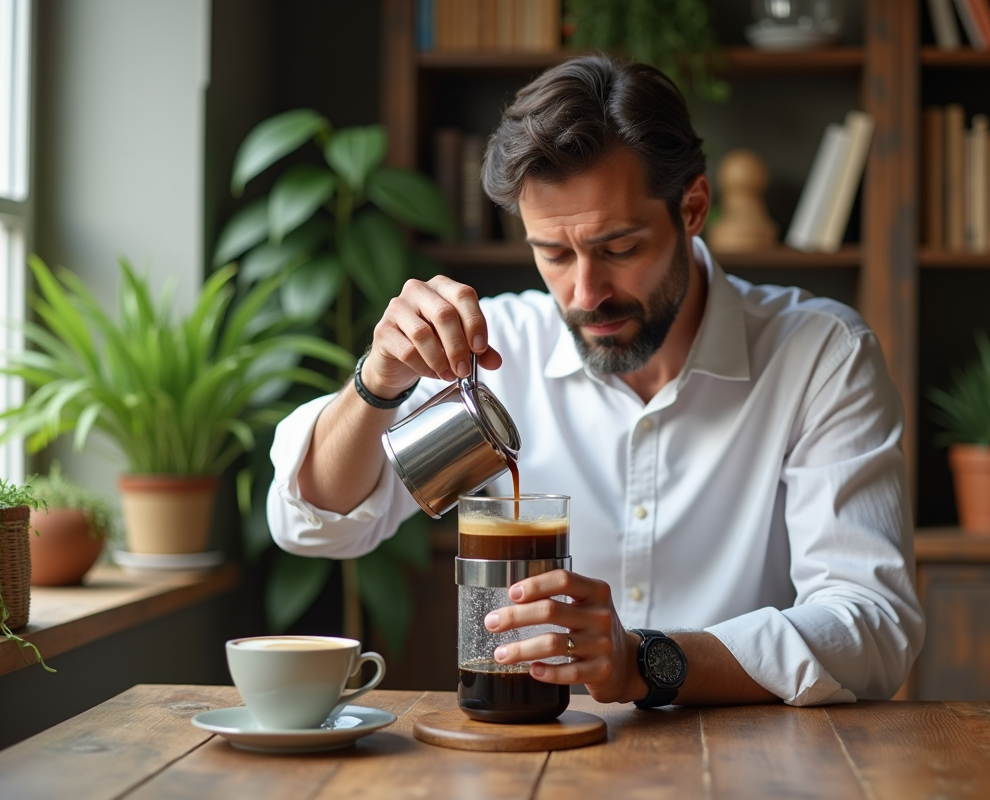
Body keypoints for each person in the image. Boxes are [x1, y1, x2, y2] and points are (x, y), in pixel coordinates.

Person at [268, 55, 924, 708]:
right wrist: (378, 381)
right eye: (553, 253)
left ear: (692, 208)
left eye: (618, 248)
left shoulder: (818, 355)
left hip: (744, 756)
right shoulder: (495, 350)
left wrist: (647, 662)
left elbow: (871, 627)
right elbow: (321, 524)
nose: (586, 293)